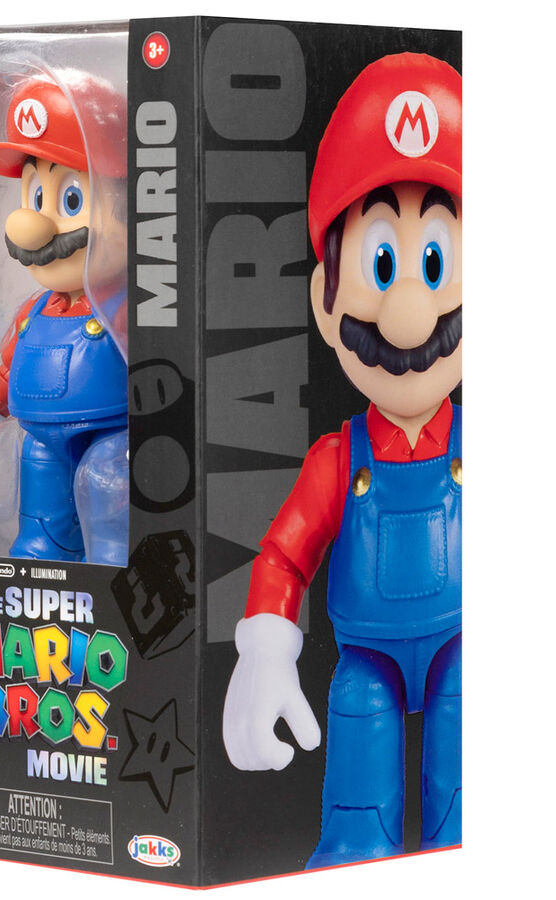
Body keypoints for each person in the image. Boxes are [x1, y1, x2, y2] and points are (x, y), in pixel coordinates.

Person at [222, 53, 462, 868]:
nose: (409, 314)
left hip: (467, 647)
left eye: (436, 265)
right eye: (381, 267)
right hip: (365, 658)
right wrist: (264, 649)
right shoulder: (337, 460)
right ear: (327, 303)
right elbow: (284, 556)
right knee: (360, 789)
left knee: (468, 775)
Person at [0, 74, 128, 565]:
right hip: (42, 442)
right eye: (35, 198)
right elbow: (8, 372)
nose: (32, 226)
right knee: (40, 526)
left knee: (108, 498)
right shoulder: (34, 311)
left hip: (112, 442)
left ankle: (111, 572)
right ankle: (38, 571)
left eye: (70, 200)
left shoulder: (126, 308)